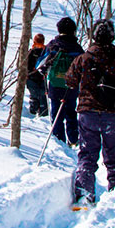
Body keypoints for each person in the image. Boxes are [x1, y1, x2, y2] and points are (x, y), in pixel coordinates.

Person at [65, 19, 115, 204]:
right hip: (111, 113)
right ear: (112, 37)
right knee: (114, 154)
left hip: (88, 111)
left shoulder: (84, 58)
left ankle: (84, 192)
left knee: (88, 153)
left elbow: (70, 79)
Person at [36, 17, 84, 145]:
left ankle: (59, 140)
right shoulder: (77, 48)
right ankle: (73, 139)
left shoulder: (53, 46)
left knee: (56, 113)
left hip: (55, 85)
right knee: (71, 113)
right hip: (72, 86)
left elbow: (40, 65)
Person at [26, 34, 49, 117]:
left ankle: (33, 113)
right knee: (43, 96)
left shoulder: (31, 51)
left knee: (34, 96)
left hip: (32, 77)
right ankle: (43, 114)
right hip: (42, 77)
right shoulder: (46, 52)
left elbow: (26, 65)